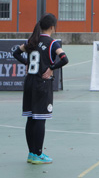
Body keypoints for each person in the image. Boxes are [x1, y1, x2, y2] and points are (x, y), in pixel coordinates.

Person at [12, 13, 69, 165]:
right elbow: (65, 59)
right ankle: (38, 153)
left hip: (29, 82)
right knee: (40, 119)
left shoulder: (32, 41)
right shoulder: (52, 43)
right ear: (52, 27)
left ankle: (31, 153)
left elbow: (15, 53)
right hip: (42, 85)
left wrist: (26, 63)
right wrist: (51, 68)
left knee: (30, 118)